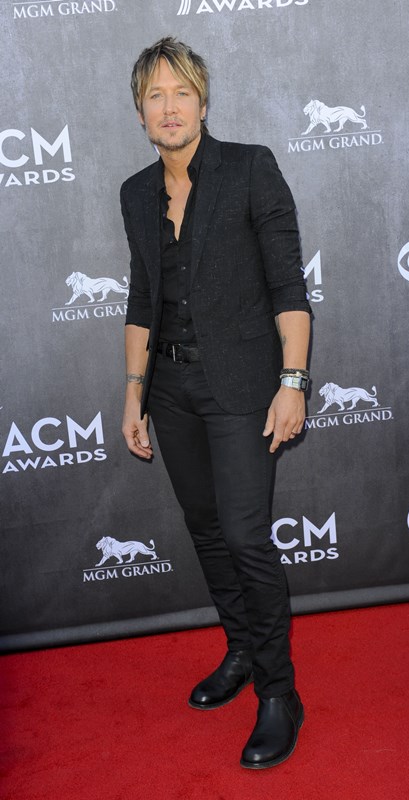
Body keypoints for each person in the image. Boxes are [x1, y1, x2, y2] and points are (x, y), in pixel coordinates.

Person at [120, 36, 312, 770]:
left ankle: (279, 691)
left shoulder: (250, 167)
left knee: (245, 537)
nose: (169, 107)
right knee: (206, 531)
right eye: (155, 95)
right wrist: (134, 392)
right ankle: (240, 650)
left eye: (182, 93)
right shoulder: (135, 193)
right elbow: (142, 298)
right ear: (141, 111)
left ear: (203, 102)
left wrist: (293, 380)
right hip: (170, 391)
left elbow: (288, 287)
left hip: (241, 389)